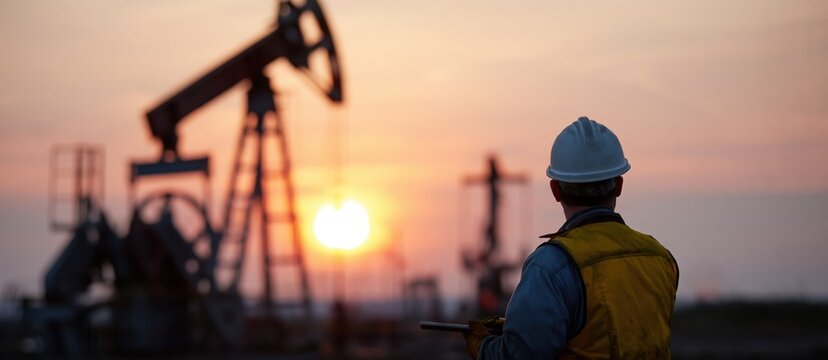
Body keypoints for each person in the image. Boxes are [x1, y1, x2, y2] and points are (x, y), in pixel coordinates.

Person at [463, 116, 679, 359]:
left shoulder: (549, 267)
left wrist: (483, 346)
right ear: (619, 185)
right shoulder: (661, 258)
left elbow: (519, 355)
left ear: (555, 190)